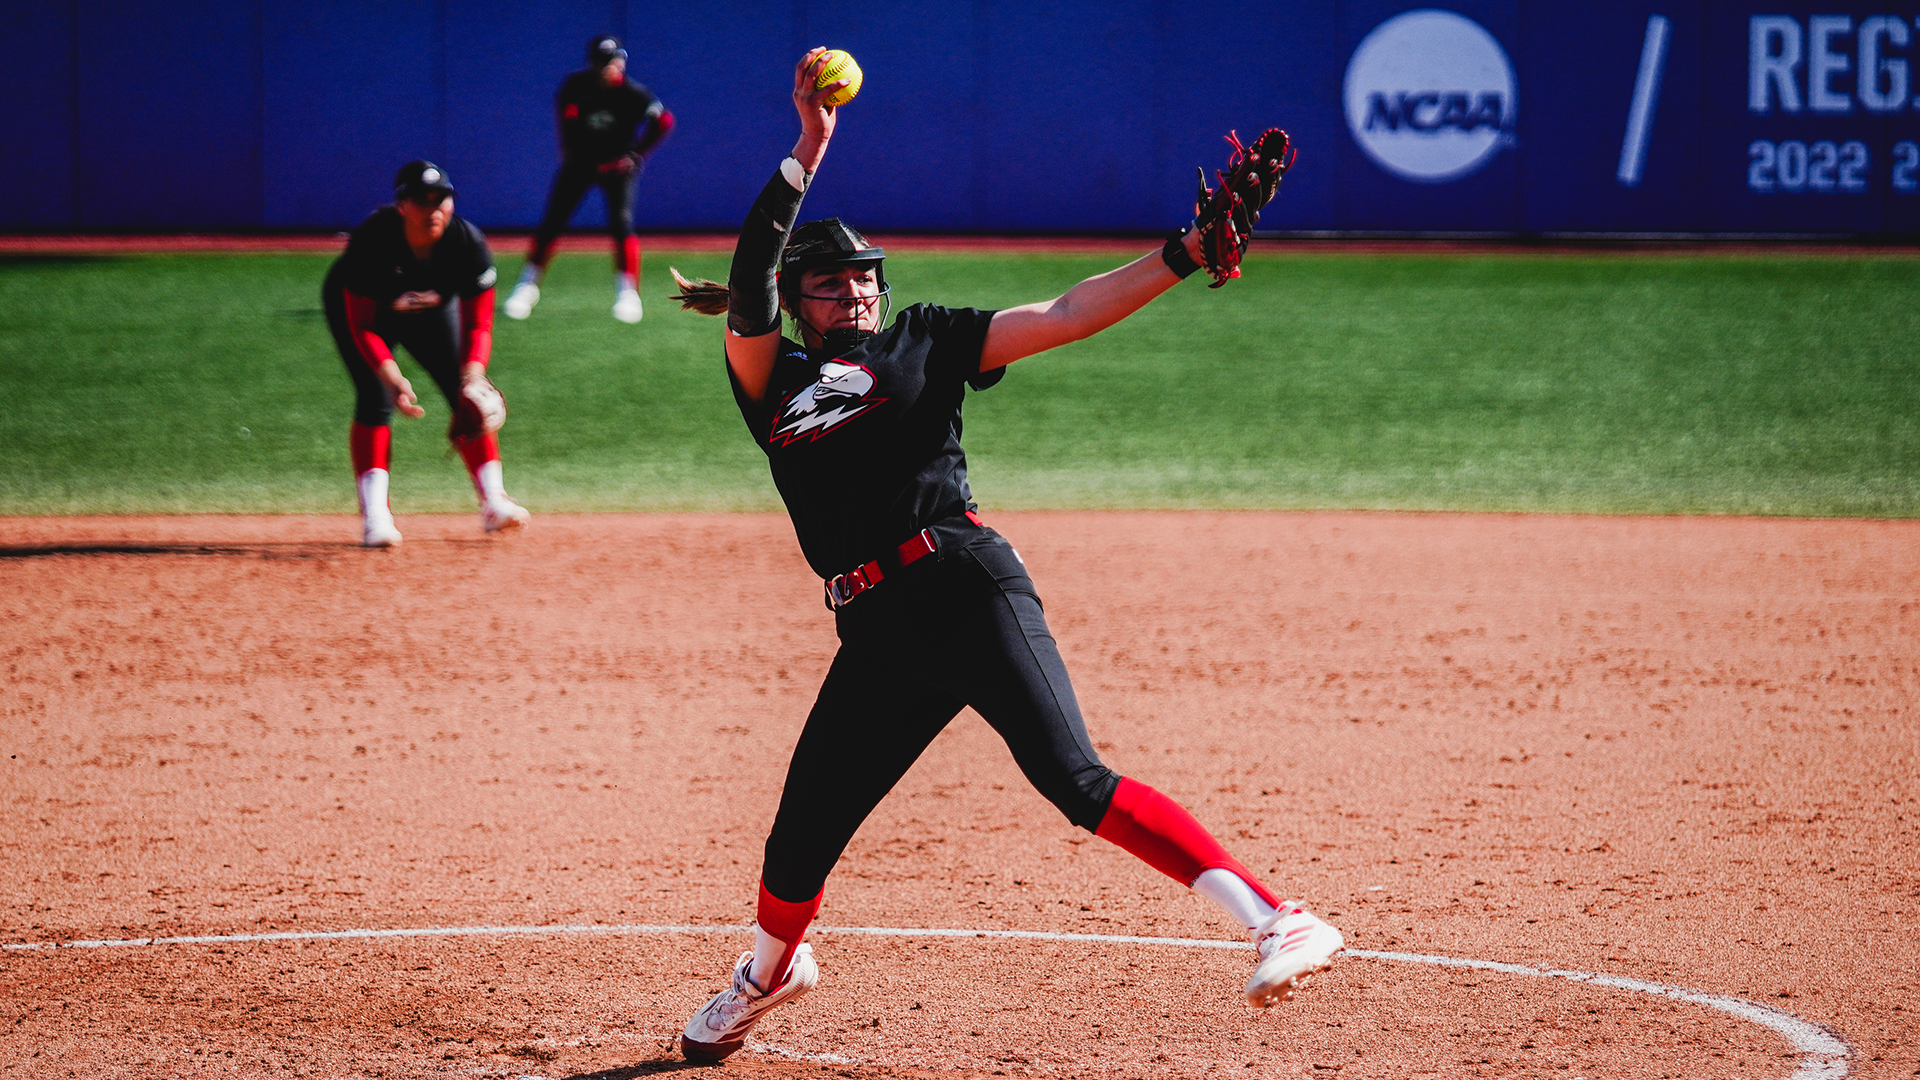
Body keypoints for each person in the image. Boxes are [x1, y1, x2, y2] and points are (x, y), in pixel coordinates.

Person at [668, 49, 1343, 1064]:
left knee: (1074, 778)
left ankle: (1277, 917)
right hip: (878, 632)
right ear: (797, 300)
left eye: (863, 280)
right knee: (799, 837)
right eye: (830, 284)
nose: (852, 294)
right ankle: (769, 974)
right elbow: (752, 274)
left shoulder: (926, 342)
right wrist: (808, 150)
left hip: (962, 583)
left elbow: (1065, 314)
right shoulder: (767, 377)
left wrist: (1184, 250)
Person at [323, 160, 530, 547]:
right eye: (423, 200)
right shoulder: (372, 242)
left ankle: (494, 501)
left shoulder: (467, 242)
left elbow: (479, 324)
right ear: (402, 205)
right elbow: (363, 324)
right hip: (366, 314)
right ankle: (376, 516)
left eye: (442, 199)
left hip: (433, 314)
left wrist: (474, 376)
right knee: (375, 397)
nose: (434, 209)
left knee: (465, 396)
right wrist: (391, 374)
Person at [503, 35, 674, 324]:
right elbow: (566, 115)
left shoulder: (633, 93)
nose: (609, 67)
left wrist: (636, 154)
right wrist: (568, 149)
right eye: (602, 62)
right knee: (552, 222)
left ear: (622, 60)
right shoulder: (576, 86)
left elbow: (664, 120)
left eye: (613, 60)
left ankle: (627, 293)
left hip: (617, 167)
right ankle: (526, 287)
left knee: (622, 225)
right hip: (580, 164)